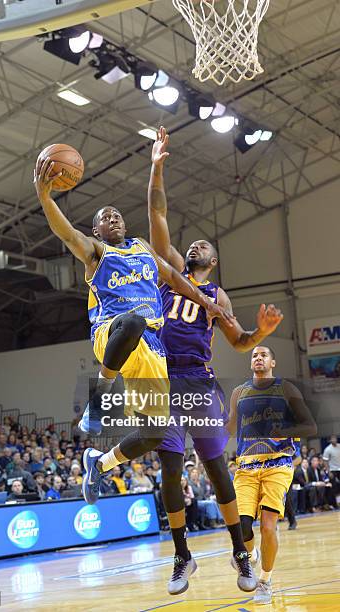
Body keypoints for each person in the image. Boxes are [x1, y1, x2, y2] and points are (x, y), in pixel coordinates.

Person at [34, 153, 233, 503]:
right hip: (111, 332)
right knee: (133, 322)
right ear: (97, 231)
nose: (113, 217)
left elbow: (173, 277)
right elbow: (65, 233)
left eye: (116, 214)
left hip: (150, 349)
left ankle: (100, 463)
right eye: (104, 218)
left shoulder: (142, 248)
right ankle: (98, 399)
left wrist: (207, 302)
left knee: (154, 433)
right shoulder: (96, 252)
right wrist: (45, 197)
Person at [145, 126, 284, 595]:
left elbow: (240, 341)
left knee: (216, 467)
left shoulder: (217, 294)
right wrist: (157, 166)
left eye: (205, 246)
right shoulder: (168, 273)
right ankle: (182, 556)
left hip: (200, 382)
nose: (196, 245)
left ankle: (240, 555)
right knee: (168, 466)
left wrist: (260, 333)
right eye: (193, 244)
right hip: (164, 381)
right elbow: (157, 214)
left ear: (214, 261)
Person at [228, 346, 317, 605]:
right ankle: (252, 555)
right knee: (242, 528)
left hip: (278, 464)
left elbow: (310, 425)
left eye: (263, 355)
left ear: (272, 362)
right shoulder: (238, 392)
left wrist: (287, 428)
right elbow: (231, 427)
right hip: (246, 467)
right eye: (254, 355)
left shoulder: (286, 389)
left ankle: (265, 580)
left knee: (268, 526)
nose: (258, 358)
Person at [323, 435, 340, 507]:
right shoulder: (328, 449)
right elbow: (325, 461)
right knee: (334, 487)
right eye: (332, 439)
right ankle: (334, 504)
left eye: (335, 438)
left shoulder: (339, 446)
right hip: (333, 470)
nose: (334, 440)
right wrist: (329, 472)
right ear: (330, 440)